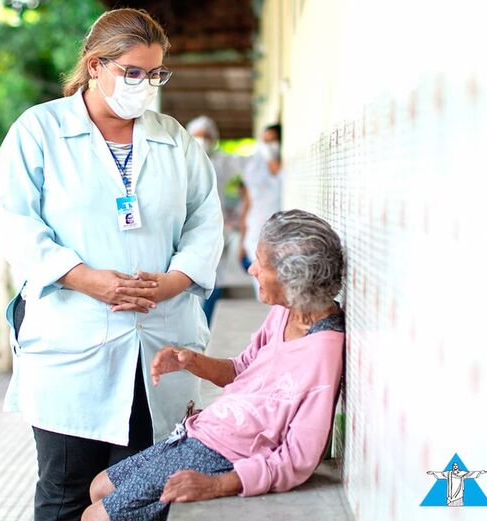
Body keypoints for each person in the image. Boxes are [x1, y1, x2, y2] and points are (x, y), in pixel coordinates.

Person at [0, 8, 224, 520]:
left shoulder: (174, 138)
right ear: (95, 66)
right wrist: (83, 278)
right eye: (132, 72)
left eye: (155, 73)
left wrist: (174, 281)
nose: (145, 85)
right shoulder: (40, 130)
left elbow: (206, 220)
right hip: (72, 343)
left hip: (157, 341)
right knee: (65, 490)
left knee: (139, 497)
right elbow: (13, 222)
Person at [81, 209, 346, 521]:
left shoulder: (323, 350)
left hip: (225, 455)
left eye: (262, 263)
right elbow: (243, 369)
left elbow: (298, 458)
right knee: (99, 487)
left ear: (293, 278)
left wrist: (218, 484)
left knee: (94, 517)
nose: (252, 270)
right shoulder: (286, 312)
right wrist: (190, 360)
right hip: (201, 432)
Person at [186, 115, 250, 325]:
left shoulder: (223, 161)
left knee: (214, 276)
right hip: (187, 227)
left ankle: (205, 322)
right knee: (188, 274)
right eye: (197, 136)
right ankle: (192, 322)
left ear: (214, 139)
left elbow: (249, 174)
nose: (202, 140)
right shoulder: (181, 160)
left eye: (206, 136)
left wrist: (236, 214)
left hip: (216, 226)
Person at [239, 123, 282, 274]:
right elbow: (247, 204)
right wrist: (242, 241)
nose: (269, 145)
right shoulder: (254, 169)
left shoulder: (286, 168)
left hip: (280, 234)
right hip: (254, 233)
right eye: (265, 141)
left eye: (273, 141)